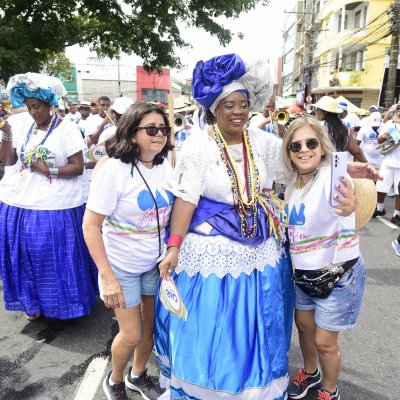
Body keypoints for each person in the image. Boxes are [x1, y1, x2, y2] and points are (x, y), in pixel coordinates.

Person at [154, 53, 296, 400]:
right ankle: (208, 387)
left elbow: (298, 164)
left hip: (258, 245)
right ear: (214, 110)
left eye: (243, 104)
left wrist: (347, 172)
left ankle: (253, 387)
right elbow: (186, 200)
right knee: (213, 323)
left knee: (256, 323)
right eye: (229, 105)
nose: (237, 112)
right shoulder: (199, 146)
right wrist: (173, 247)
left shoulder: (261, 142)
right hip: (210, 244)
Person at [83, 102, 174, 400]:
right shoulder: (113, 170)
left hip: (154, 264)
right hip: (121, 266)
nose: (159, 134)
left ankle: (138, 375)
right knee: (132, 333)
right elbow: (91, 226)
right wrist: (107, 277)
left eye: (163, 129)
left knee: (149, 331)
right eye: (151, 129)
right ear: (132, 133)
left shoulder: (165, 164)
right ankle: (116, 380)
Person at [0, 72, 98, 320]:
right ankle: (31, 304)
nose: (34, 112)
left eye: (38, 106)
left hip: (56, 205)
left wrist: (48, 170)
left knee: (50, 257)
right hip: (20, 200)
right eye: (30, 106)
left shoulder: (67, 129)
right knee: (25, 256)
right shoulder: (22, 124)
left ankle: (63, 306)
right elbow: (8, 160)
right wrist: (7, 133)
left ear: (50, 104)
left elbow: (77, 166)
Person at [282, 117, 366, 400]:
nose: (304, 149)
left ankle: (330, 390)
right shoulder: (292, 186)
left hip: (338, 273)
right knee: (304, 328)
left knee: (324, 342)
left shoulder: (333, 177)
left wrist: (349, 203)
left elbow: (344, 199)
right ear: (289, 153)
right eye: (296, 145)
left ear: (322, 147)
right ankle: (311, 372)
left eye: (311, 143)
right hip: (304, 274)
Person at [313, 96, 368, 163]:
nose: (315, 111)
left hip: (319, 166)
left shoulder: (315, 127)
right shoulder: (342, 129)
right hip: (339, 166)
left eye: (317, 109)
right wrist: (368, 165)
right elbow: (357, 152)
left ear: (325, 112)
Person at [374, 102, 400, 225]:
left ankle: (397, 214)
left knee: (399, 191)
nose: (399, 111)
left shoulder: (394, 124)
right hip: (388, 160)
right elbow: (378, 140)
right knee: (381, 186)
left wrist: (396, 127)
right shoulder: (389, 123)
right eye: (398, 108)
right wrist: (383, 136)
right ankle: (379, 208)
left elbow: (396, 138)